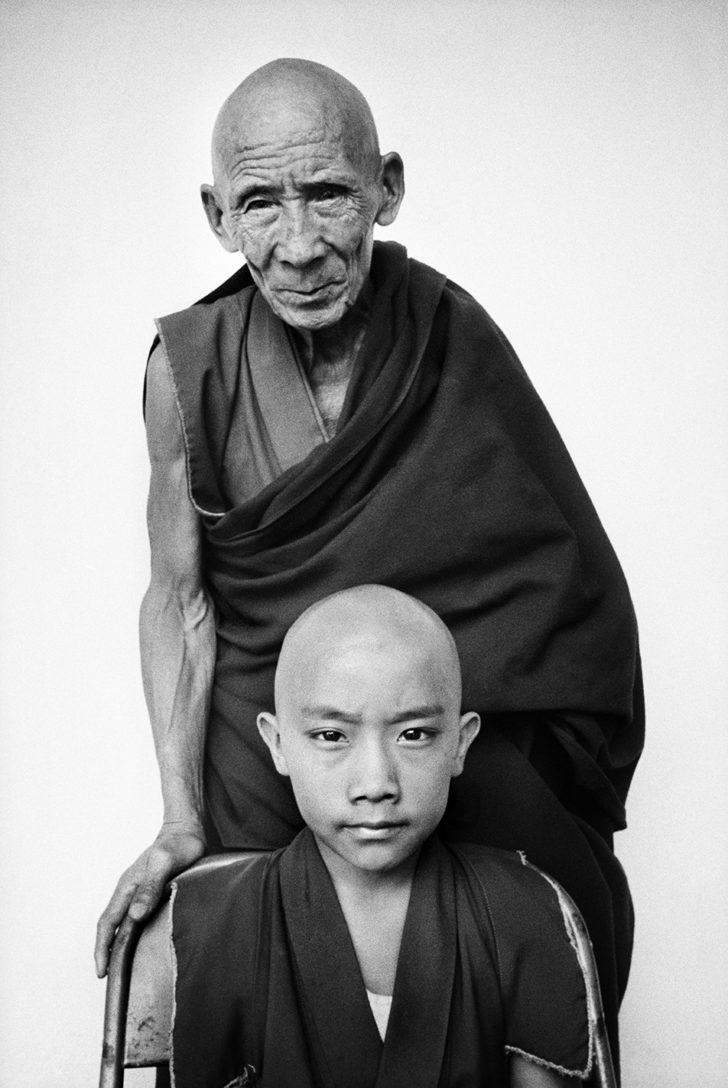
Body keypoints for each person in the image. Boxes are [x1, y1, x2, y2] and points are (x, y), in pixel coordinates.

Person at [95, 57, 643, 1068]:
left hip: (438, 719)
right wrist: (179, 817)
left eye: (329, 194)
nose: (298, 246)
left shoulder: (446, 335)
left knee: (538, 923)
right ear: (217, 214)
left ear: (385, 187)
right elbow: (180, 597)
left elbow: (546, 573)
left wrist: (474, 728)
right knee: (230, 960)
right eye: (260, 202)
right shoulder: (188, 369)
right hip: (271, 731)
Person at [171, 585, 595, 1088]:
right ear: (277, 744)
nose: (376, 784)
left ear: (461, 744)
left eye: (413, 734)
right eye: (332, 736)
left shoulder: (525, 911)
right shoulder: (216, 920)